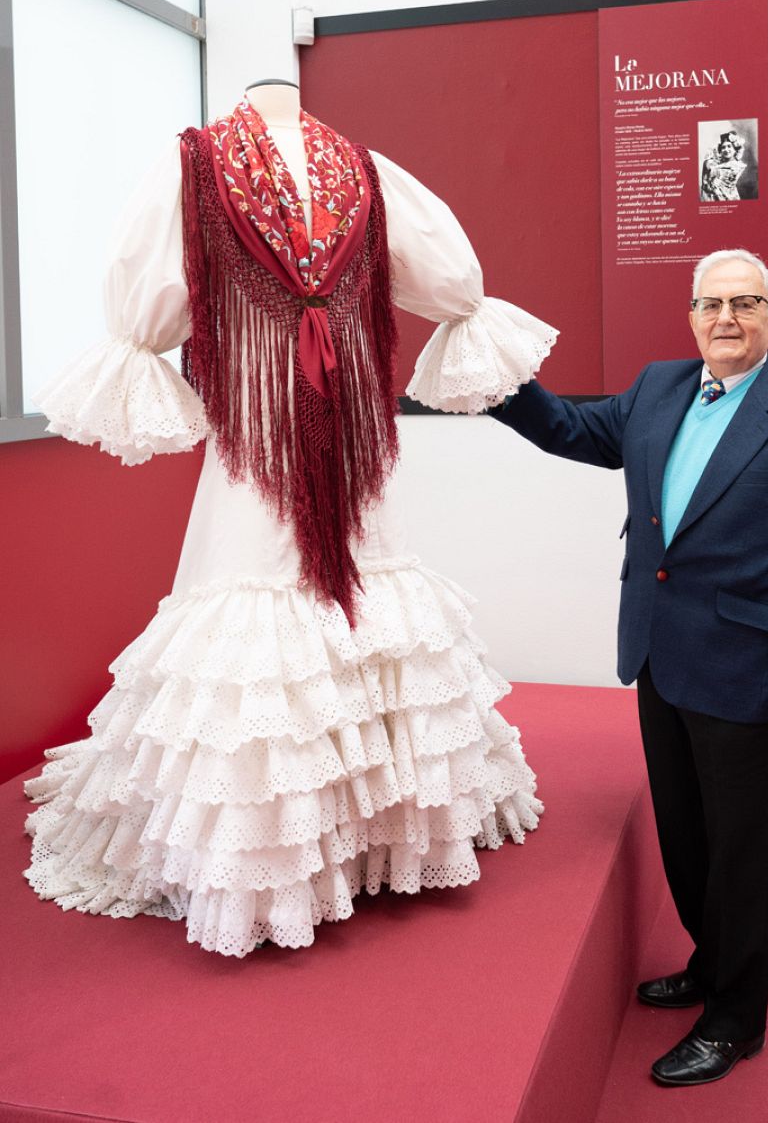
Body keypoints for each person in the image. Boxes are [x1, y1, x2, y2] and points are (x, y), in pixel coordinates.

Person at [24, 85, 553, 957]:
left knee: (287, 596)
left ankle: (341, 842)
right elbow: (453, 283)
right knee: (293, 592)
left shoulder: (229, 169)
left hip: (298, 434)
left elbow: (147, 315)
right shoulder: (337, 172)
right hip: (298, 433)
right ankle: (322, 846)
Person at [486, 248, 768, 1086]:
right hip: (661, 652)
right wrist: (495, 379)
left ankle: (735, 1019)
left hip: (751, 668)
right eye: (710, 304)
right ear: (692, 316)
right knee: (686, 834)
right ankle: (709, 961)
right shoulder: (657, 387)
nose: (726, 318)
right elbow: (571, 430)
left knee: (742, 850)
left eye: (745, 303)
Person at [700, 131, 747, 202]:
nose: (726, 150)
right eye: (723, 147)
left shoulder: (737, 166)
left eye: (729, 146)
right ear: (720, 150)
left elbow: (722, 170)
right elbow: (704, 183)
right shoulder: (714, 162)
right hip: (710, 197)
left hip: (727, 198)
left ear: (735, 150)